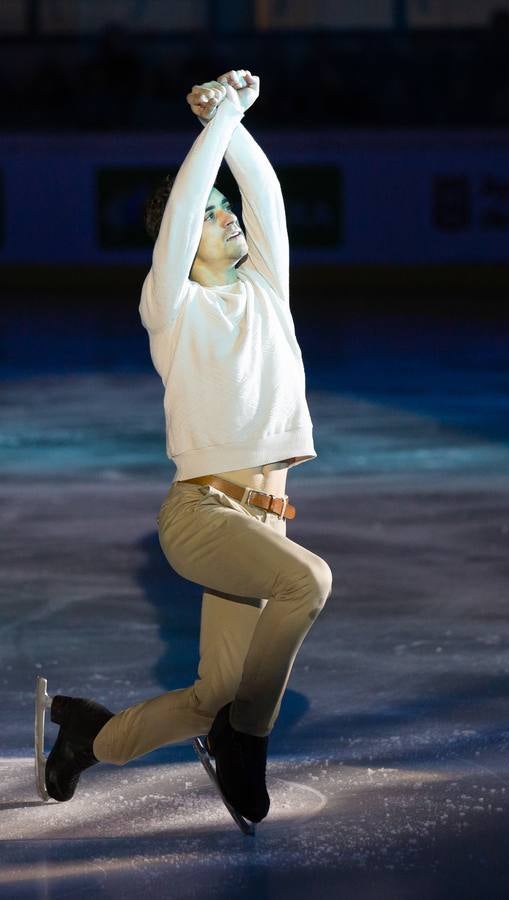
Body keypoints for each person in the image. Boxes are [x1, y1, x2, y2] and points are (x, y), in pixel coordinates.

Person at [44, 69, 333, 824]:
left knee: (211, 694)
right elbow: (180, 218)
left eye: (223, 208)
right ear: (181, 234)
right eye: (209, 215)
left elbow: (263, 195)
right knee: (309, 584)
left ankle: (90, 737)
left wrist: (230, 120)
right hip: (202, 516)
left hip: (260, 521)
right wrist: (215, 124)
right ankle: (248, 740)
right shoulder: (171, 306)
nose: (228, 217)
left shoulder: (268, 288)